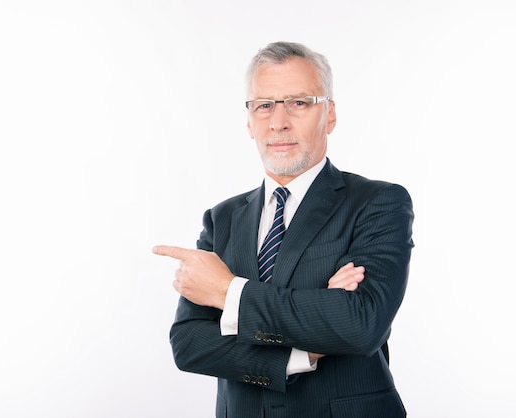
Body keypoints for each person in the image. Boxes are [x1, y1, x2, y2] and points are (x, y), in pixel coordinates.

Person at [153, 41, 414, 418]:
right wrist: (305, 348)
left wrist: (229, 293)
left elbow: (360, 325)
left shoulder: (378, 203)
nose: (278, 122)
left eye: (299, 102)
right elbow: (191, 344)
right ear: (249, 122)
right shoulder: (222, 218)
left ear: (330, 115)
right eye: (264, 106)